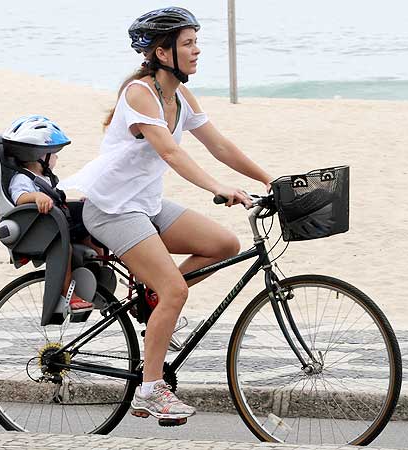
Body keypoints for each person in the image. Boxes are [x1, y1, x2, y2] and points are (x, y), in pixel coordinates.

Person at [59, 7, 272, 422]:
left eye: (197, 41)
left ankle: (153, 302)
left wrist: (268, 179)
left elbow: (219, 145)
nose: (197, 50)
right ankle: (150, 389)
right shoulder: (140, 93)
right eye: (188, 43)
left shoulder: (179, 94)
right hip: (114, 210)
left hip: (147, 206)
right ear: (162, 51)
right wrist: (218, 188)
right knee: (176, 290)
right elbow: (171, 151)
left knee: (224, 245)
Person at [4, 115, 94, 315]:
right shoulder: (23, 179)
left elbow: (58, 200)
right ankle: (67, 294)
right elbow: (19, 198)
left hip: (58, 222)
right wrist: (36, 197)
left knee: (93, 221)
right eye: (53, 153)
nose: (56, 158)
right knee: (65, 250)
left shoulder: (45, 177)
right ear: (39, 156)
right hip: (44, 229)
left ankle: (95, 265)